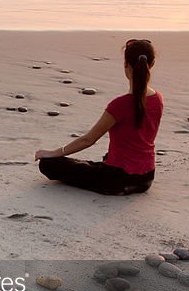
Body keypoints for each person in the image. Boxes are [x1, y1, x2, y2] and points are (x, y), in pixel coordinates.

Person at [34, 39, 162, 196]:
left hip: (118, 179)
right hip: (146, 177)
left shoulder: (120, 104)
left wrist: (53, 153)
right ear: (152, 64)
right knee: (105, 158)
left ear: (126, 65)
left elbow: (88, 140)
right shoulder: (158, 98)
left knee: (48, 164)